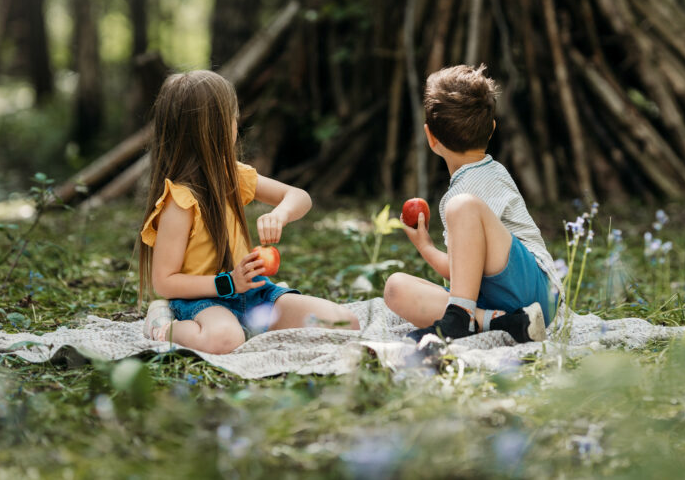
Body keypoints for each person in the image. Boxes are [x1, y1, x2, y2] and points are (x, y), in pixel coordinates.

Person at [137, 70, 359, 354]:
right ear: (214, 129)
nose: (236, 124)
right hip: (202, 301)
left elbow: (299, 196)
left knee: (344, 323)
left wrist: (280, 214)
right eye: (232, 118)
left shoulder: (233, 177)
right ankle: (163, 326)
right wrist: (227, 282)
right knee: (224, 341)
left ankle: (247, 323)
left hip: (253, 293)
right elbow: (164, 282)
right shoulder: (180, 202)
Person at [384, 64, 561, 344]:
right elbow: (463, 275)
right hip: (508, 304)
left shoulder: (466, 195)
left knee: (461, 206)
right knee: (395, 288)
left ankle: (459, 321)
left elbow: (457, 274)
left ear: (430, 137)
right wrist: (426, 245)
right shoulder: (480, 178)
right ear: (492, 129)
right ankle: (506, 324)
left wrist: (425, 246)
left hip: (538, 291)